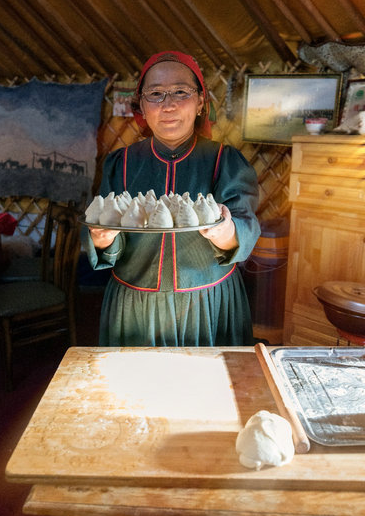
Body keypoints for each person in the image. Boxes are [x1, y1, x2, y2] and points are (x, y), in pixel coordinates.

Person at [82, 50, 260, 346]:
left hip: (207, 302)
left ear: (201, 102)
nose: (169, 105)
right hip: (136, 305)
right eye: (155, 93)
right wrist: (103, 239)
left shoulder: (224, 161)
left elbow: (246, 225)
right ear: (141, 104)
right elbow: (105, 233)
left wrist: (227, 232)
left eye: (181, 92)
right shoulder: (121, 163)